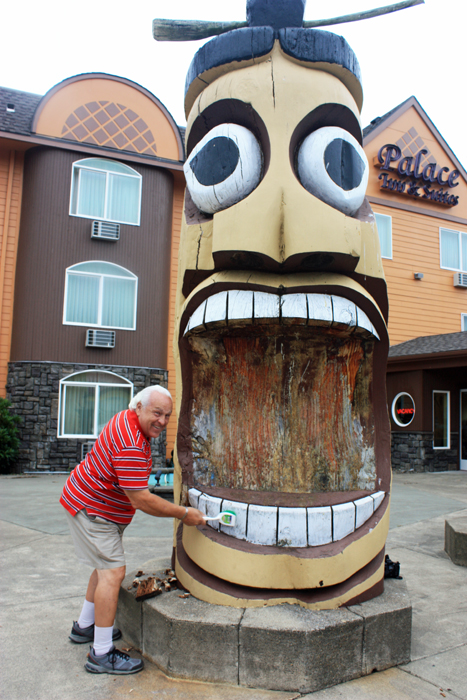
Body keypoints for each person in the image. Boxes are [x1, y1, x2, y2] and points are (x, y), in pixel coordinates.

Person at [60, 385, 205, 675]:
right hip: (94, 510)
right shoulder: (130, 444)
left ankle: (85, 626)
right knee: (113, 573)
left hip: (90, 501)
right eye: (157, 413)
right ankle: (100, 654)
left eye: (167, 415)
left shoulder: (127, 418)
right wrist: (185, 514)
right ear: (139, 407)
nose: (162, 421)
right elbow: (141, 499)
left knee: (103, 569)